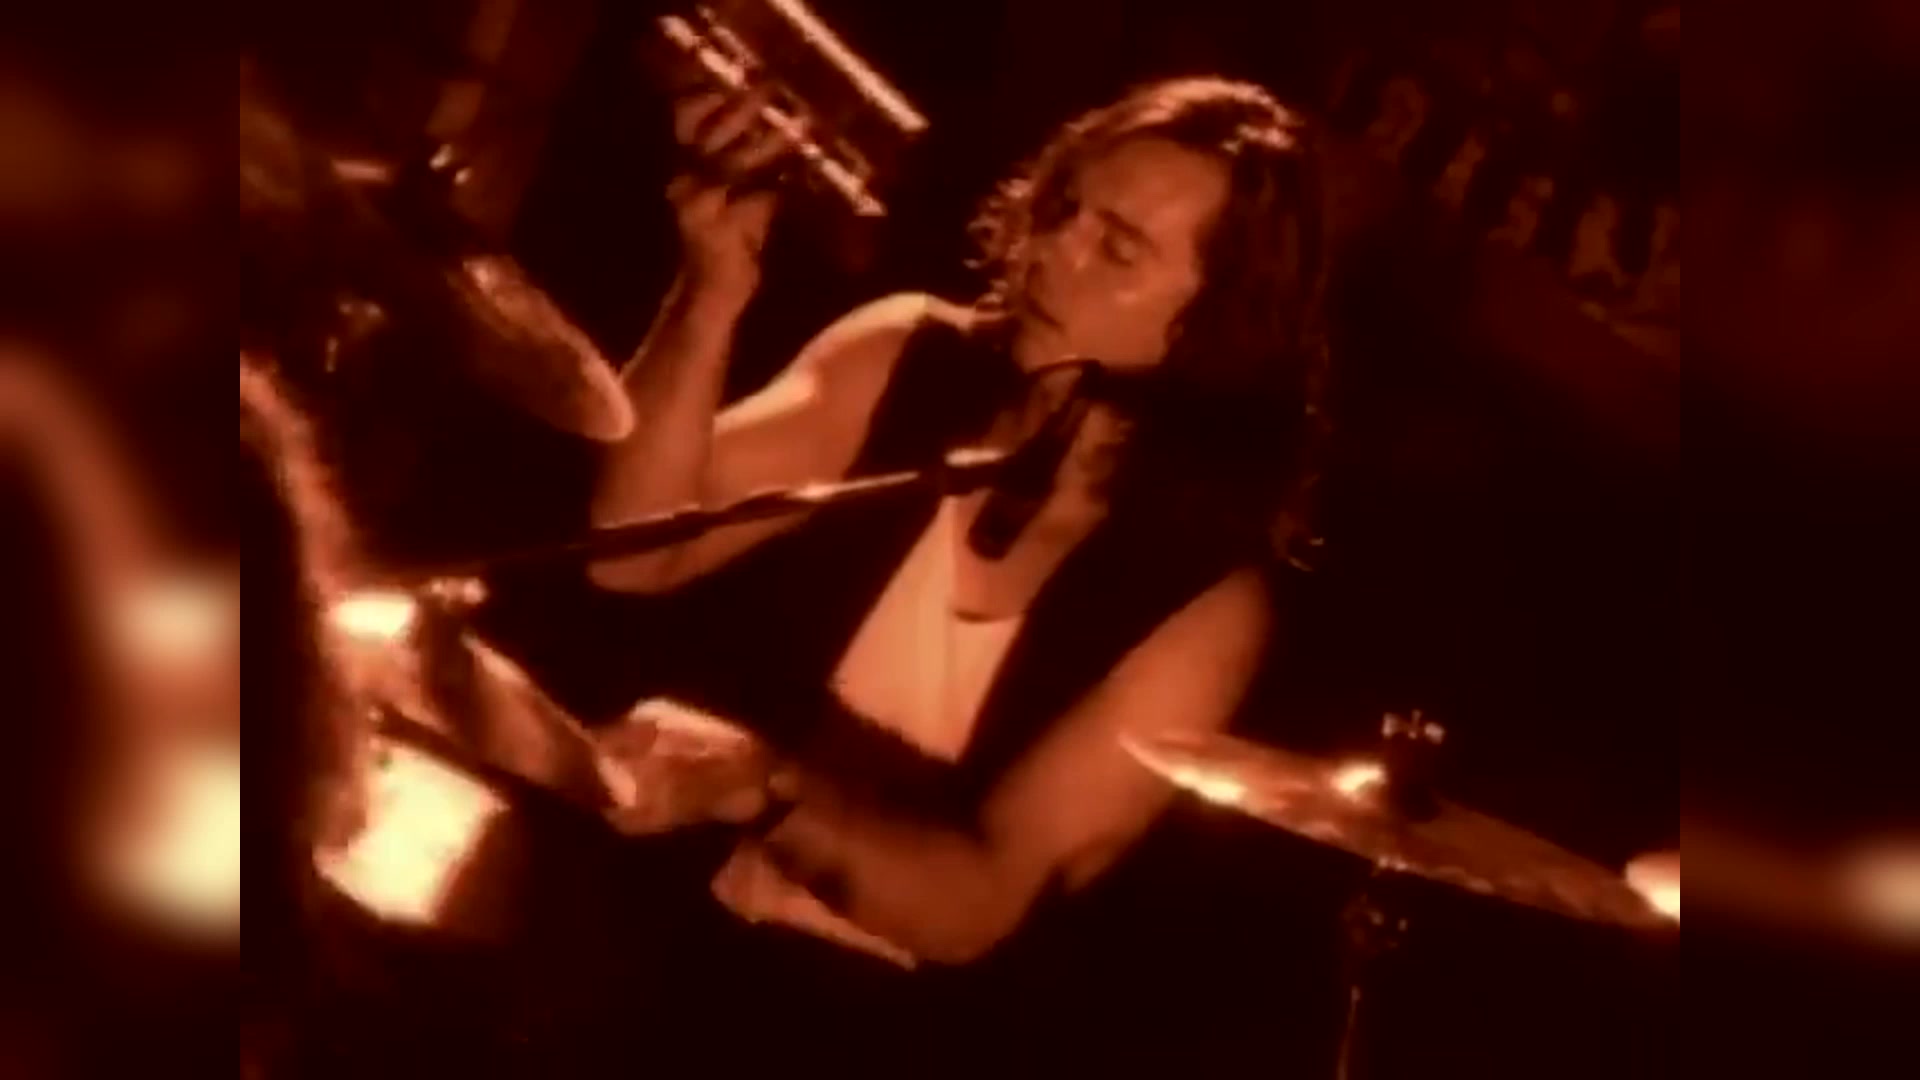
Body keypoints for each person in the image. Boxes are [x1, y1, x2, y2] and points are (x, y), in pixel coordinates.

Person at [588, 74, 1331, 978]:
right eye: (1062, 209)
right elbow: (632, 554)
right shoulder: (904, 353)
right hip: (664, 926)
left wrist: (765, 788)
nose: (1050, 251)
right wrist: (711, 294)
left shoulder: (1203, 604)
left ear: (1217, 321)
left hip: (881, 1026)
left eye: (1117, 248)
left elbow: (978, 906)